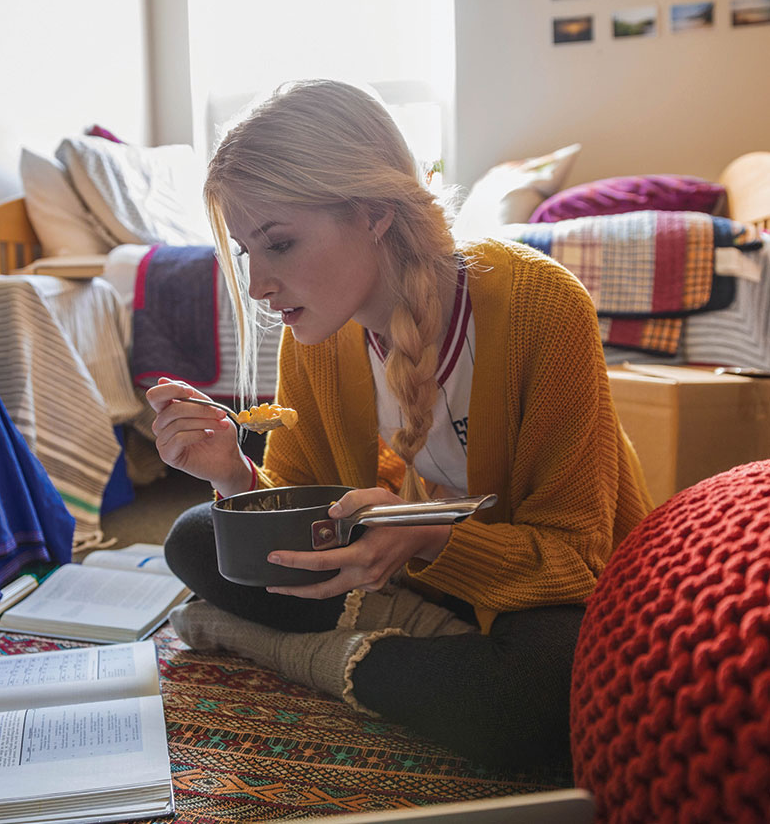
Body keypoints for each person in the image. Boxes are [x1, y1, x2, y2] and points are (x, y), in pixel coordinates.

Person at [146, 79, 653, 776]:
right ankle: (430, 647)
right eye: (245, 253)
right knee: (195, 535)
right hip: (413, 567)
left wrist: (432, 536)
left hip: (539, 581)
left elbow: (575, 562)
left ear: (374, 212)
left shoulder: (540, 304)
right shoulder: (314, 339)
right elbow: (302, 515)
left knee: (547, 694)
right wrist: (232, 474)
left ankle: (303, 654)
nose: (259, 282)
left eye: (281, 243)